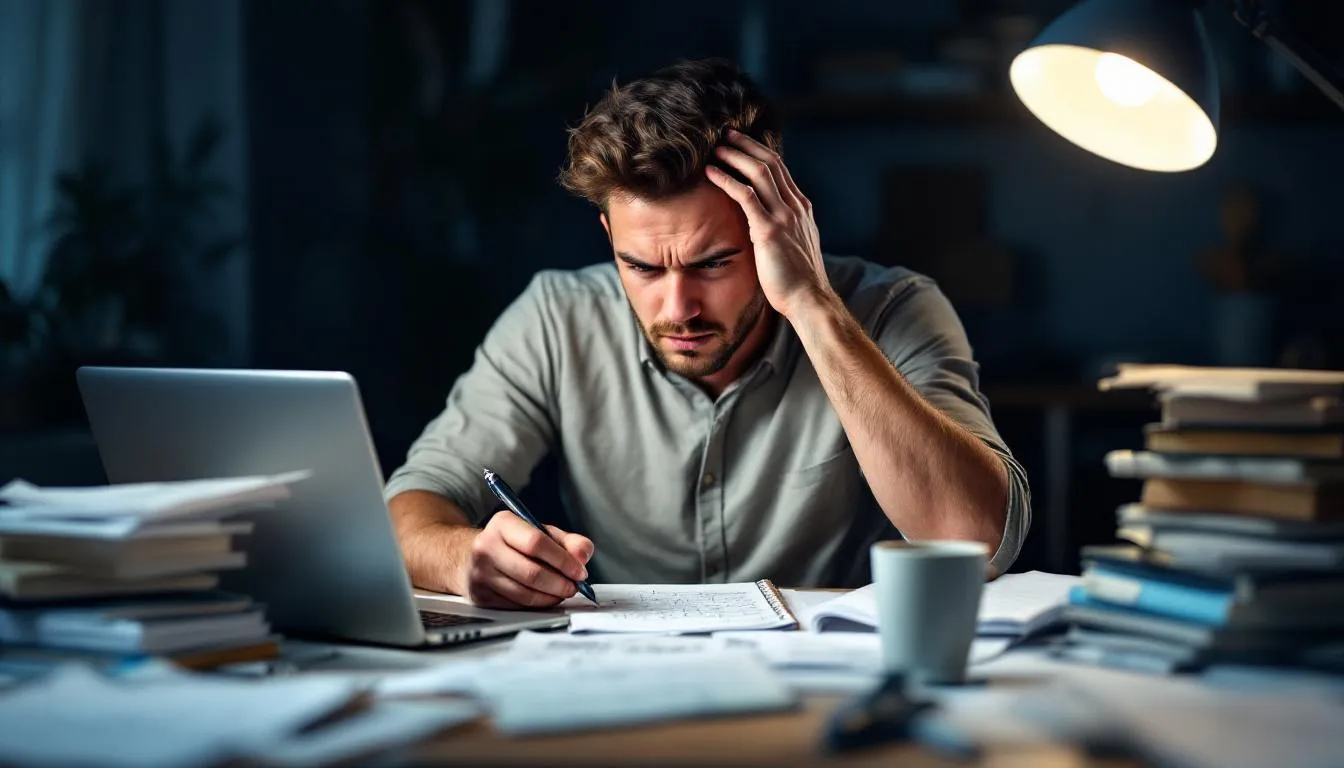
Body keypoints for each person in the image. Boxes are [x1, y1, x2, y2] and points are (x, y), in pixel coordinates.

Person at [384, 58, 1030, 610]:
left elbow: (973, 541)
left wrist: (811, 304)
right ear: (610, 239)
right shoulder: (558, 316)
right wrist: (467, 556)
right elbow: (409, 509)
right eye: (640, 266)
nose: (678, 307)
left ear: (780, 226)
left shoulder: (895, 309)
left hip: (833, 682)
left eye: (713, 262)